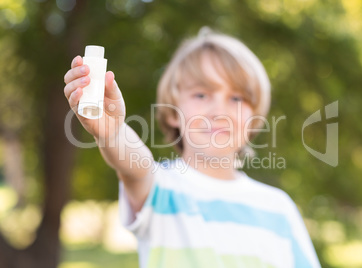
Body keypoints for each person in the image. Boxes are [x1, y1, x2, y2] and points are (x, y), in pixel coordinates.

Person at [63, 27, 321, 268]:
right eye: (201, 95)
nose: (219, 111)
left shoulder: (278, 209)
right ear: (174, 112)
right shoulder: (160, 189)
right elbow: (134, 165)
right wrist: (114, 132)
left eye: (236, 98)